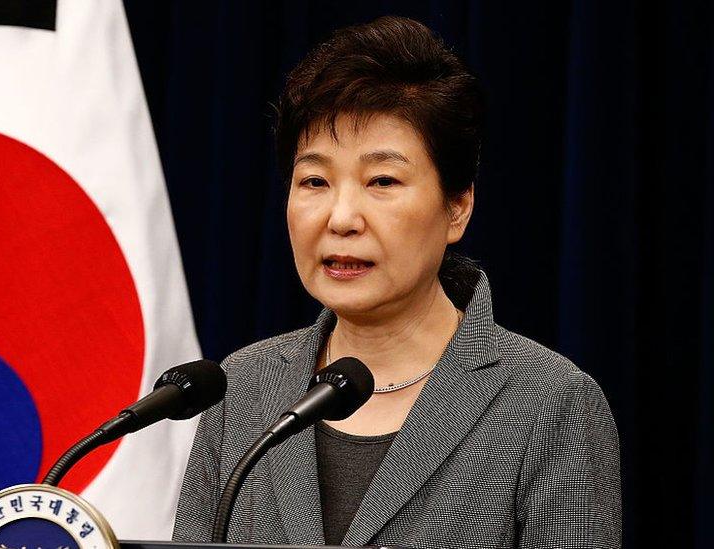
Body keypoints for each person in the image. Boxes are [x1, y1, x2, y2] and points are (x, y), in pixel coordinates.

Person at [171, 14, 622, 549]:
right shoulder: (242, 387)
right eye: (314, 180)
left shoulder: (548, 403)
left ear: (458, 207)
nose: (341, 218)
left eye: (382, 180)